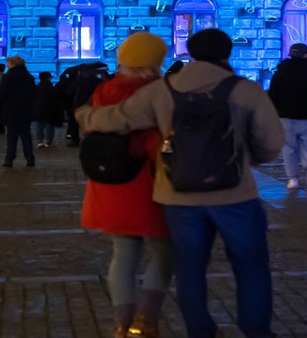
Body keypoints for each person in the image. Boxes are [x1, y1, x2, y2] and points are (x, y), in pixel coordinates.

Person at [78, 29, 283, 338]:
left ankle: (199, 330)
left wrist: (85, 115)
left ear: (190, 53)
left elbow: (118, 119)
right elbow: (271, 141)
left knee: (189, 267)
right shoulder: (245, 89)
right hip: (234, 194)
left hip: (178, 195)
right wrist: (246, 159)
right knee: (250, 263)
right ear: (227, 53)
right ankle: (256, 330)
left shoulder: (163, 89)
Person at [81, 32, 173, 336]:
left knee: (123, 253)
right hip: (146, 182)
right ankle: (145, 320)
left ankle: (122, 324)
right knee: (165, 250)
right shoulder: (157, 92)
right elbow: (158, 140)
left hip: (109, 182)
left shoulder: (103, 90)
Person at [267, 43, 307, 192]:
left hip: (287, 116)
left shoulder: (280, 73)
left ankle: (293, 179)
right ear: (306, 54)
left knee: (288, 148)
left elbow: (273, 95)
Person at [0, 56, 37, 168]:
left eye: (8, 63)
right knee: (26, 135)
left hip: (11, 109)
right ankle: (30, 159)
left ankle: (9, 159)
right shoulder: (28, 76)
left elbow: (2, 93)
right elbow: (33, 93)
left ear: (13, 64)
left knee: (12, 136)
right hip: (26, 109)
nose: (6, 65)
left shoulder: (8, 76)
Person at [34, 71, 63, 148]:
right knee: (49, 125)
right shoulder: (51, 87)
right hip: (49, 109)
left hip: (39, 109)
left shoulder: (37, 87)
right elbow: (55, 99)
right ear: (48, 78)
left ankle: (40, 140)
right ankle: (48, 141)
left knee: (39, 126)